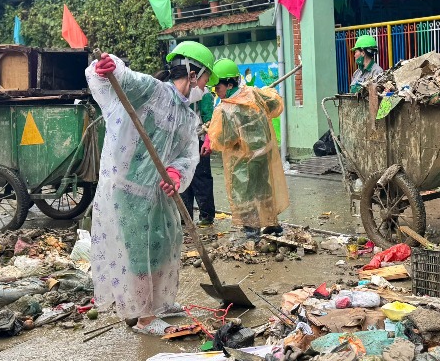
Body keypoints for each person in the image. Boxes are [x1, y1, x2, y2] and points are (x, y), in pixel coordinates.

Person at [84, 41, 216, 336]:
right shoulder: (151, 90)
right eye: (206, 79)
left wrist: (175, 173)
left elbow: (187, 154)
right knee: (138, 253)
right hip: (129, 190)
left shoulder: (186, 115)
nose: (206, 87)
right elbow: (123, 78)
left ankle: (158, 302)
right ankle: (143, 317)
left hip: (158, 192)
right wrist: (110, 67)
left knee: (163, 246)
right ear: (194, 74)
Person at [207, 58, 288, 242]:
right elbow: (275, 105)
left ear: (228, 85)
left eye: (217, 87)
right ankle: (272, 225)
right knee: (264, 189)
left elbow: (223, 141)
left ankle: (252, 234)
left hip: (242, 161)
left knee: (244, 194)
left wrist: (211, 131)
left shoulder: (224, 109)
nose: (215, 91)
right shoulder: (253, 94)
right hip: (263, 154)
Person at [180, 70, 218, 228]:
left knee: (201, 180)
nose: (205, 82)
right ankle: (184, 216)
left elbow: (210, 120)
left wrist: (208, 141)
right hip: (182, 142)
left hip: (199, 140)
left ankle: (206, 215)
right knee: (182, 181)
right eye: (205, 79)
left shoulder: (206, 94)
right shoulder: (182, 92)